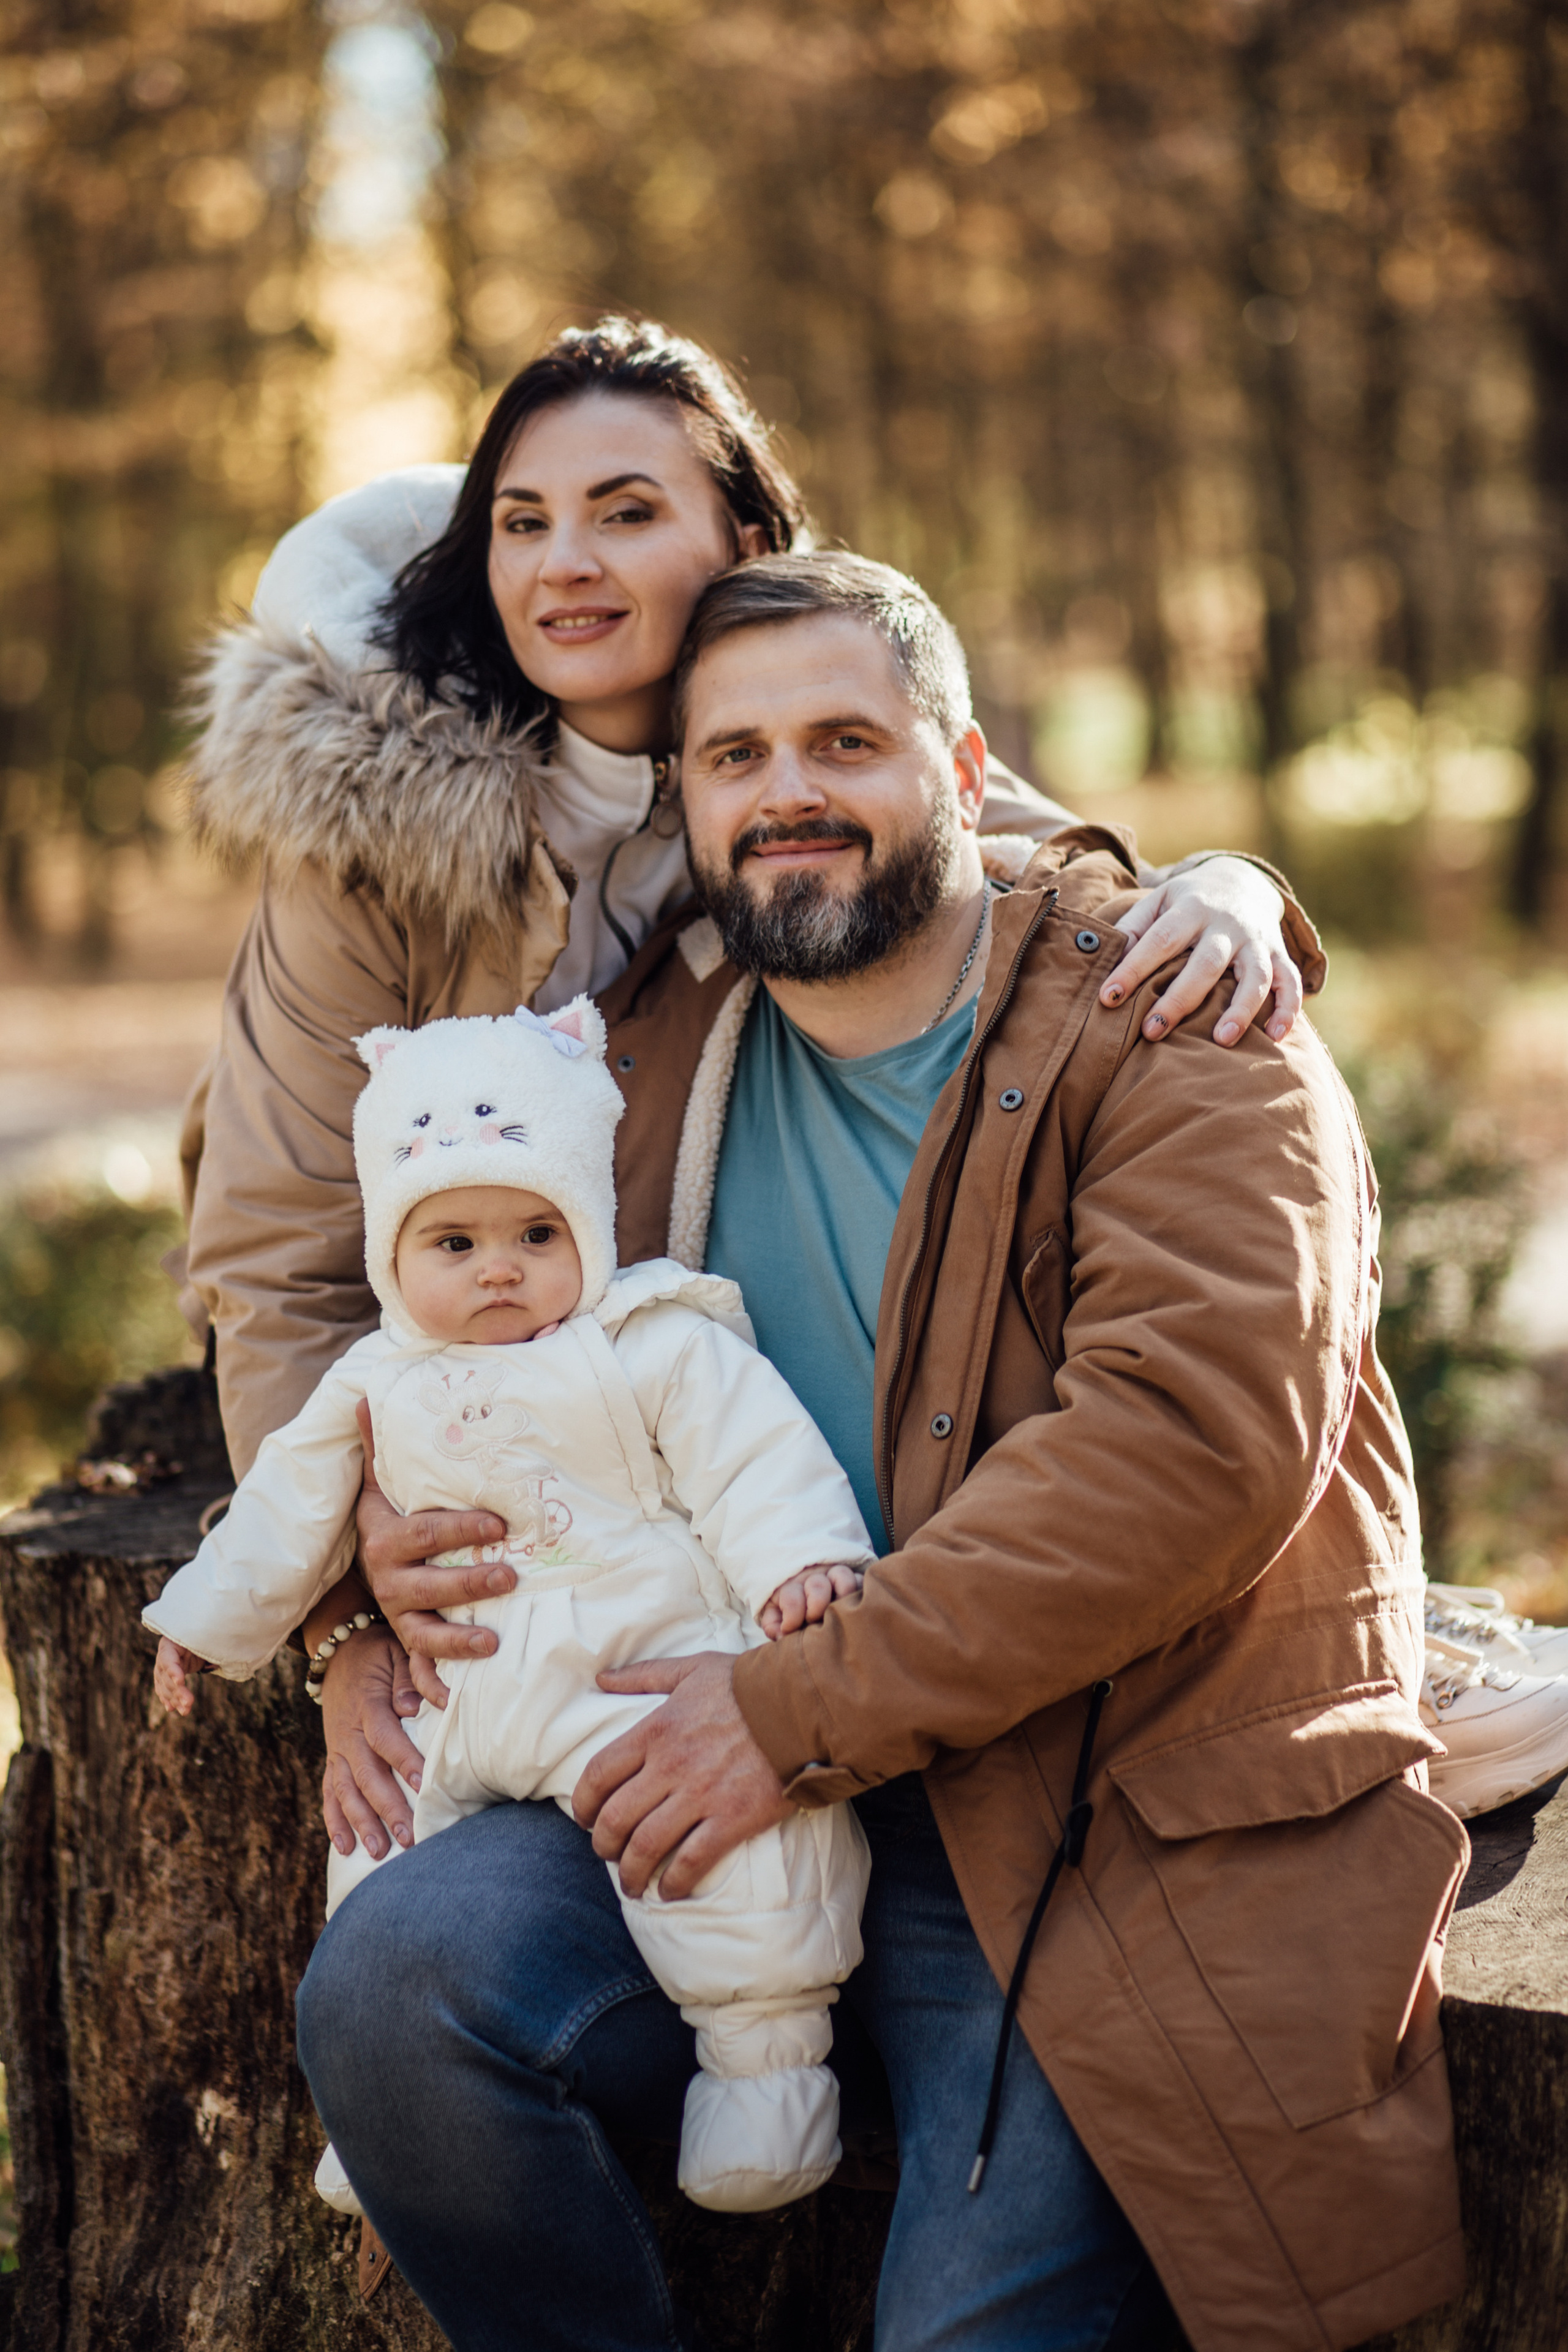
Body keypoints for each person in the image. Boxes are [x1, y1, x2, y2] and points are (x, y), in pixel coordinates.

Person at [301, 551, 1469, 2352]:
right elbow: (431, 1323)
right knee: (396, 1995)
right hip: (697, 1751)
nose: (789, 796)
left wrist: (793, 1714)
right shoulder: (641, 1074)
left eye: (846, 741)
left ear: (967, 766)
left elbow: (1194, 1451)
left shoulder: (1180, 1023)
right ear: (683, 803)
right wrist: (360, 1564)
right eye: (735, 757)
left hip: (1079, 1807)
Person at [147, 996, 875, 2215]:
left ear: (589, 1224)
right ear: (391, 1252)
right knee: (372, 1843)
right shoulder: (372, 1379)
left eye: (536, 1232)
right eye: (453, 1245)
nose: (499, 1268)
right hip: (461, 1689)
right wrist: (203, 1622)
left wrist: (799, 1565)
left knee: (724, 1853)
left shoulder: (652, 1342)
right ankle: (387, 2112)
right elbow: (284, 1511)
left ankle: (763, 2070)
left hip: (630, 1666)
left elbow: (754, 1460)